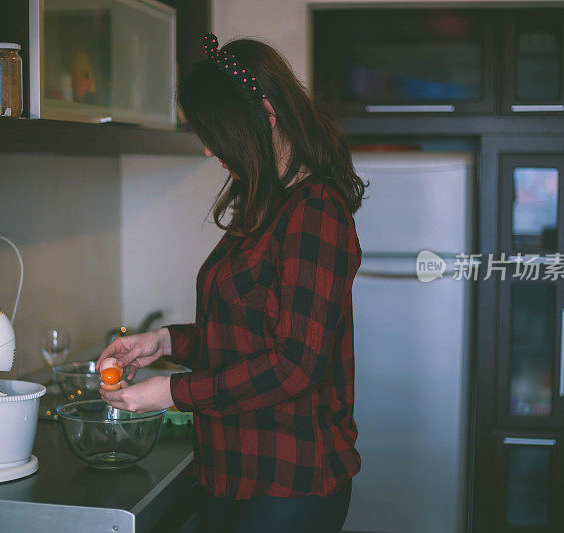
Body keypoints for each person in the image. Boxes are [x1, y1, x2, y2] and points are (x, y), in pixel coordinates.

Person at [97, 33, 366, 533]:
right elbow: (245, 336)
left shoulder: (315, 212)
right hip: (232, 471)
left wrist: (172, 393)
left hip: (290, 480)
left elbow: (294, 367)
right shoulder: (266, 204)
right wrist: (164, 342)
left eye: (215, 132)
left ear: (265, 114)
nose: (207, 148)